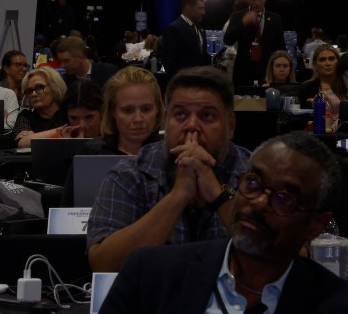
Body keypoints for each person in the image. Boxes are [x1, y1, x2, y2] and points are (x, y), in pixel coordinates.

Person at [99, 131, 347, 313]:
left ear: (316, 224)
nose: (259, 202)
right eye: (253, 183)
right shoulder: (152, 274)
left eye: (284, 198)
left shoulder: (334, 304)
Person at [87, 66, 251, 272]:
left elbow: (290, 261)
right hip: (153, 302)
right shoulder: (129, 175)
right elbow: (103, 265)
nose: (192, 125)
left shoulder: (257, 174)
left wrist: (218, 196)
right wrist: (178, 196)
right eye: (180, 115)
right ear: (166, 120)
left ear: (230, 125)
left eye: (207, 116)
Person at [61, 66, 164, 206]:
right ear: (112, 111)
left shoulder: (172, 157)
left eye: (146, 109)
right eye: (128, 110)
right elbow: (68, 213)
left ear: (157, 109)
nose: (138, 118)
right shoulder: (91, 154)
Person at [224, 0, 286, 87]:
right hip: (243, 72)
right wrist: (243, 23)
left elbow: (280, 47)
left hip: (267, 71)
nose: (257, 3)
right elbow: (228, 40)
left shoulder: (275, 19)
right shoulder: (237, 16)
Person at [11, 66, 68, 147]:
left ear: (55, 87)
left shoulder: (68, 112)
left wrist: (35, 136)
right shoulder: (26, 115)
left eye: (39, 87)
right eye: (30, 91)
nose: (34, 94)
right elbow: (22, 143)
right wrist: (62, 131)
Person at [161, 0, 208, 79]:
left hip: (200, 82)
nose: (203, 12)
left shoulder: (201, 30)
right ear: (188, 8)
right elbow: (168, 60)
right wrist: (179, 83)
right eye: (200, 8)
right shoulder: (174, 29)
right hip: (183, 84)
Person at [297, 44, 342, 126]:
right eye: (322, 60)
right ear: (315, 64)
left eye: (331, 59)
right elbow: (302, 119)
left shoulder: (345, 86)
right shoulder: (306, 89)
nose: (328, 63)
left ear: (338, 62)